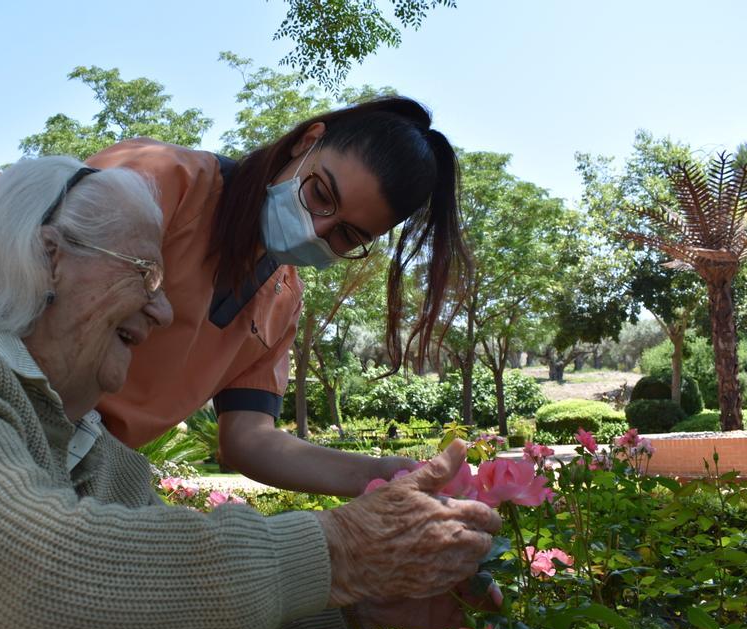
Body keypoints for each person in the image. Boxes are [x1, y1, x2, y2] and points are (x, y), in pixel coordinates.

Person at [0, 156, 501, 629]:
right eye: (144, 273)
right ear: (48, 256)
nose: (166, 311)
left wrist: (363, 599)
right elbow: (28, 587)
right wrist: (339, 552)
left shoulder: (97, 454)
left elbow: (147, 602)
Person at [88, 96, 467, 496]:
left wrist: (379, 475)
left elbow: (248, 438)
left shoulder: (282, 301)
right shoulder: (162, 177)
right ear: (307, 141)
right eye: (320, 194)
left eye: (346, 236)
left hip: (91, 470)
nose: (315, 230)